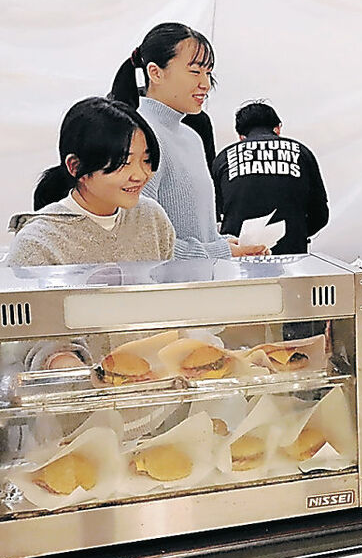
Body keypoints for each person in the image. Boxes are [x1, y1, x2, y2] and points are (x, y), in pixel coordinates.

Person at [8, 96, 175, 371]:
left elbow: (169, 302)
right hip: (81, 401)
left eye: (146, 160)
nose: (141, 175)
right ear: (76, 168)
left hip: (154, 389)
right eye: (124, 163)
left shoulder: (151, 218)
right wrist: (80, 372)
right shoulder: (38, 242)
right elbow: (32, 341)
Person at [109, 22, 266, 259]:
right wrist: (221, 251)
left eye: (208, 72)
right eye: (195, 71)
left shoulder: (191, 137)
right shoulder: (140, 136)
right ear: (155, 72)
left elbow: (191, 229)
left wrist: (223, 243)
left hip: (199, 287)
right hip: (164, 292)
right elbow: (140, 237)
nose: (205, 83)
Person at [211, 101, 328, 255]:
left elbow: (213, 213)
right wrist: (294, 235)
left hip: (239, 256)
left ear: (241, 136)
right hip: (292, 255)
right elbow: (320, 214)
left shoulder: (224, 158)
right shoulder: (302, 153)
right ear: (278, 129)